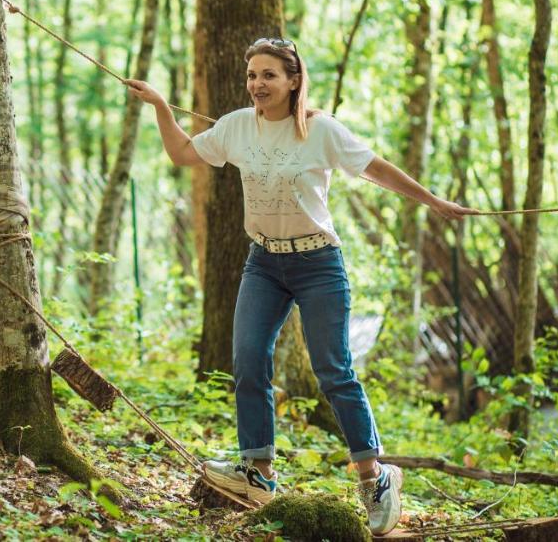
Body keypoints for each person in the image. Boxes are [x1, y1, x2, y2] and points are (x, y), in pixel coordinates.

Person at [125, 37, 474, 535]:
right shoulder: (236, 127)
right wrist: (161, 105)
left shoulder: (320, 130)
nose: (257, 84)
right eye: (251, 75)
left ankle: (374, 477)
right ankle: (260, 471)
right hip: (263, 263)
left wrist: (434, 201)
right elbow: (182, 153)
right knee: (248, 361)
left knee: (333, 370)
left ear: (293, 80)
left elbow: (374, 167)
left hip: (317, 264)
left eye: (268, 75)